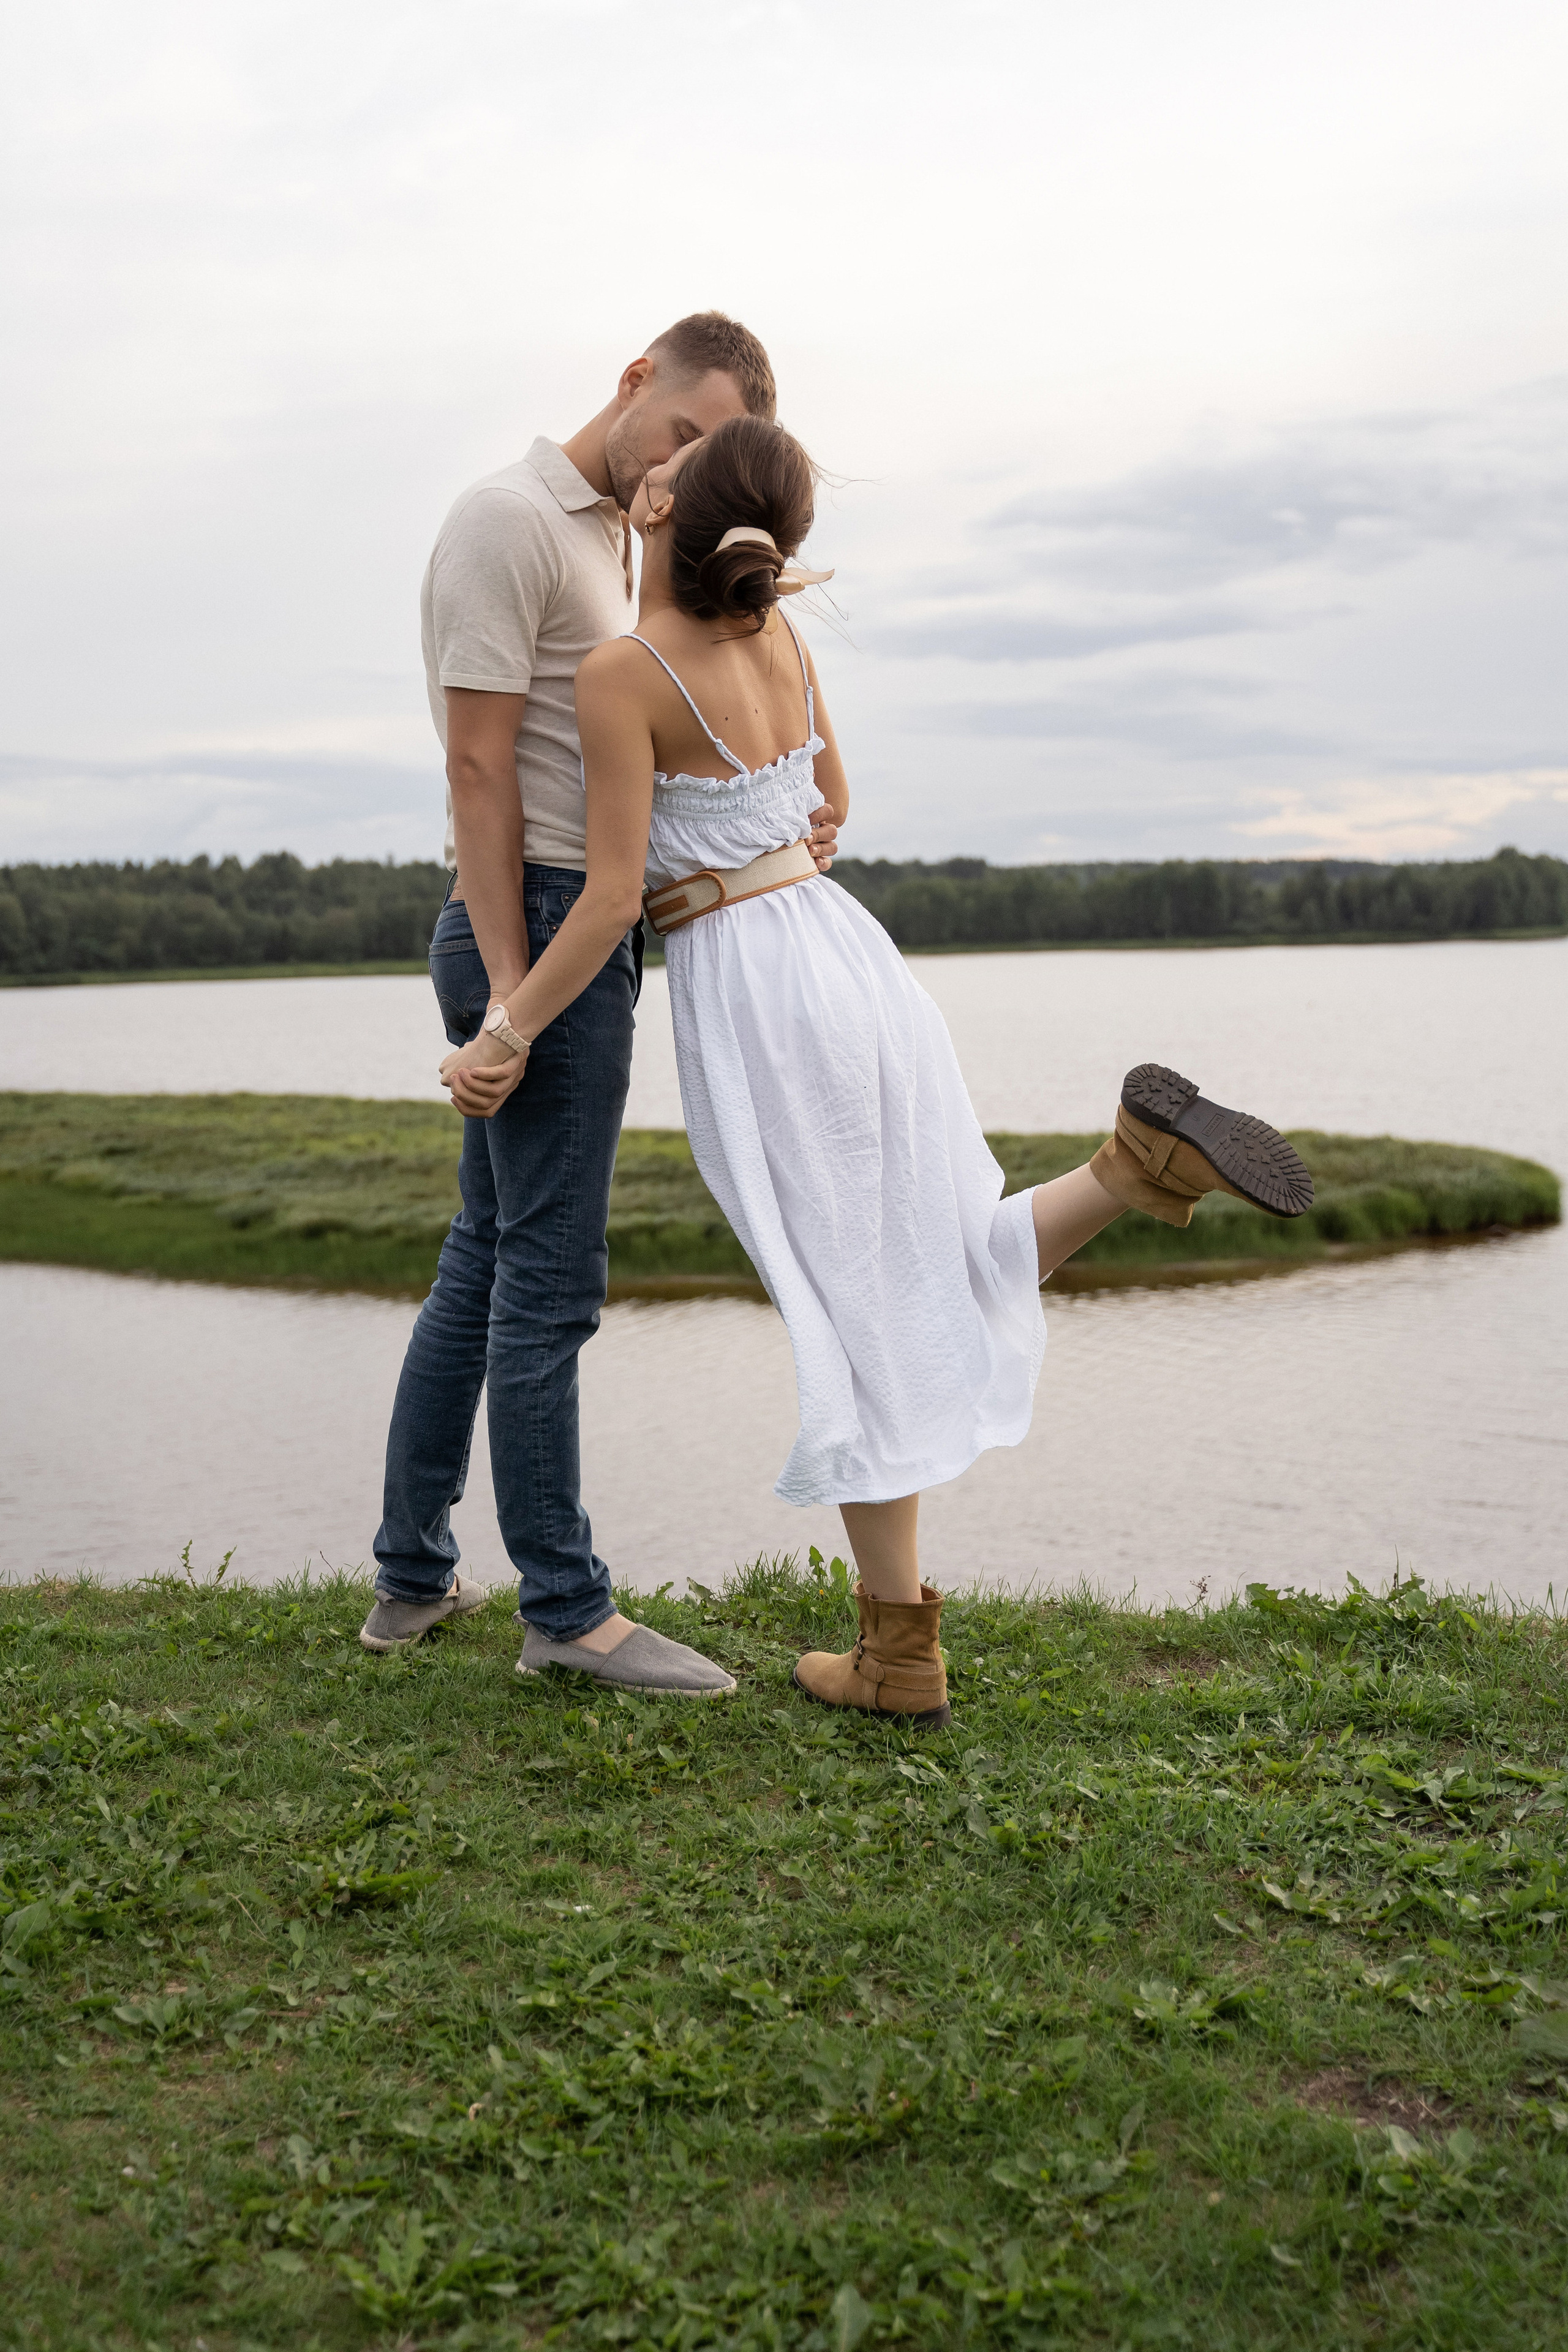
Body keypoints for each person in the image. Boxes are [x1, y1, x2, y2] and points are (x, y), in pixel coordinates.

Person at [438, 417, 1314, 1727]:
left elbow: (612, 897)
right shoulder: (783, 639)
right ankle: (1132, 1167)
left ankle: (897, 1656)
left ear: (667, 525)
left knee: (853, 1299)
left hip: (760, 996)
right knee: (919, 1249)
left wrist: (503, 1031)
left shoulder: (623, 674)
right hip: (856, 965)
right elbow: (833, 801)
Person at [360, 315, 840, 1696]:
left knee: (484, 1257)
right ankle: (565, 1613)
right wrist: (511, 997)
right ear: (635, 378)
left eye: (712, 453)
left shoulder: (619, 536)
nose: (686, 466)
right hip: (544, 926)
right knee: (551, 1284)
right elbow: (476, 772)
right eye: (683, 431)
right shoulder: (507, 523)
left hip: (573, 931)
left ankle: (408, 1577)